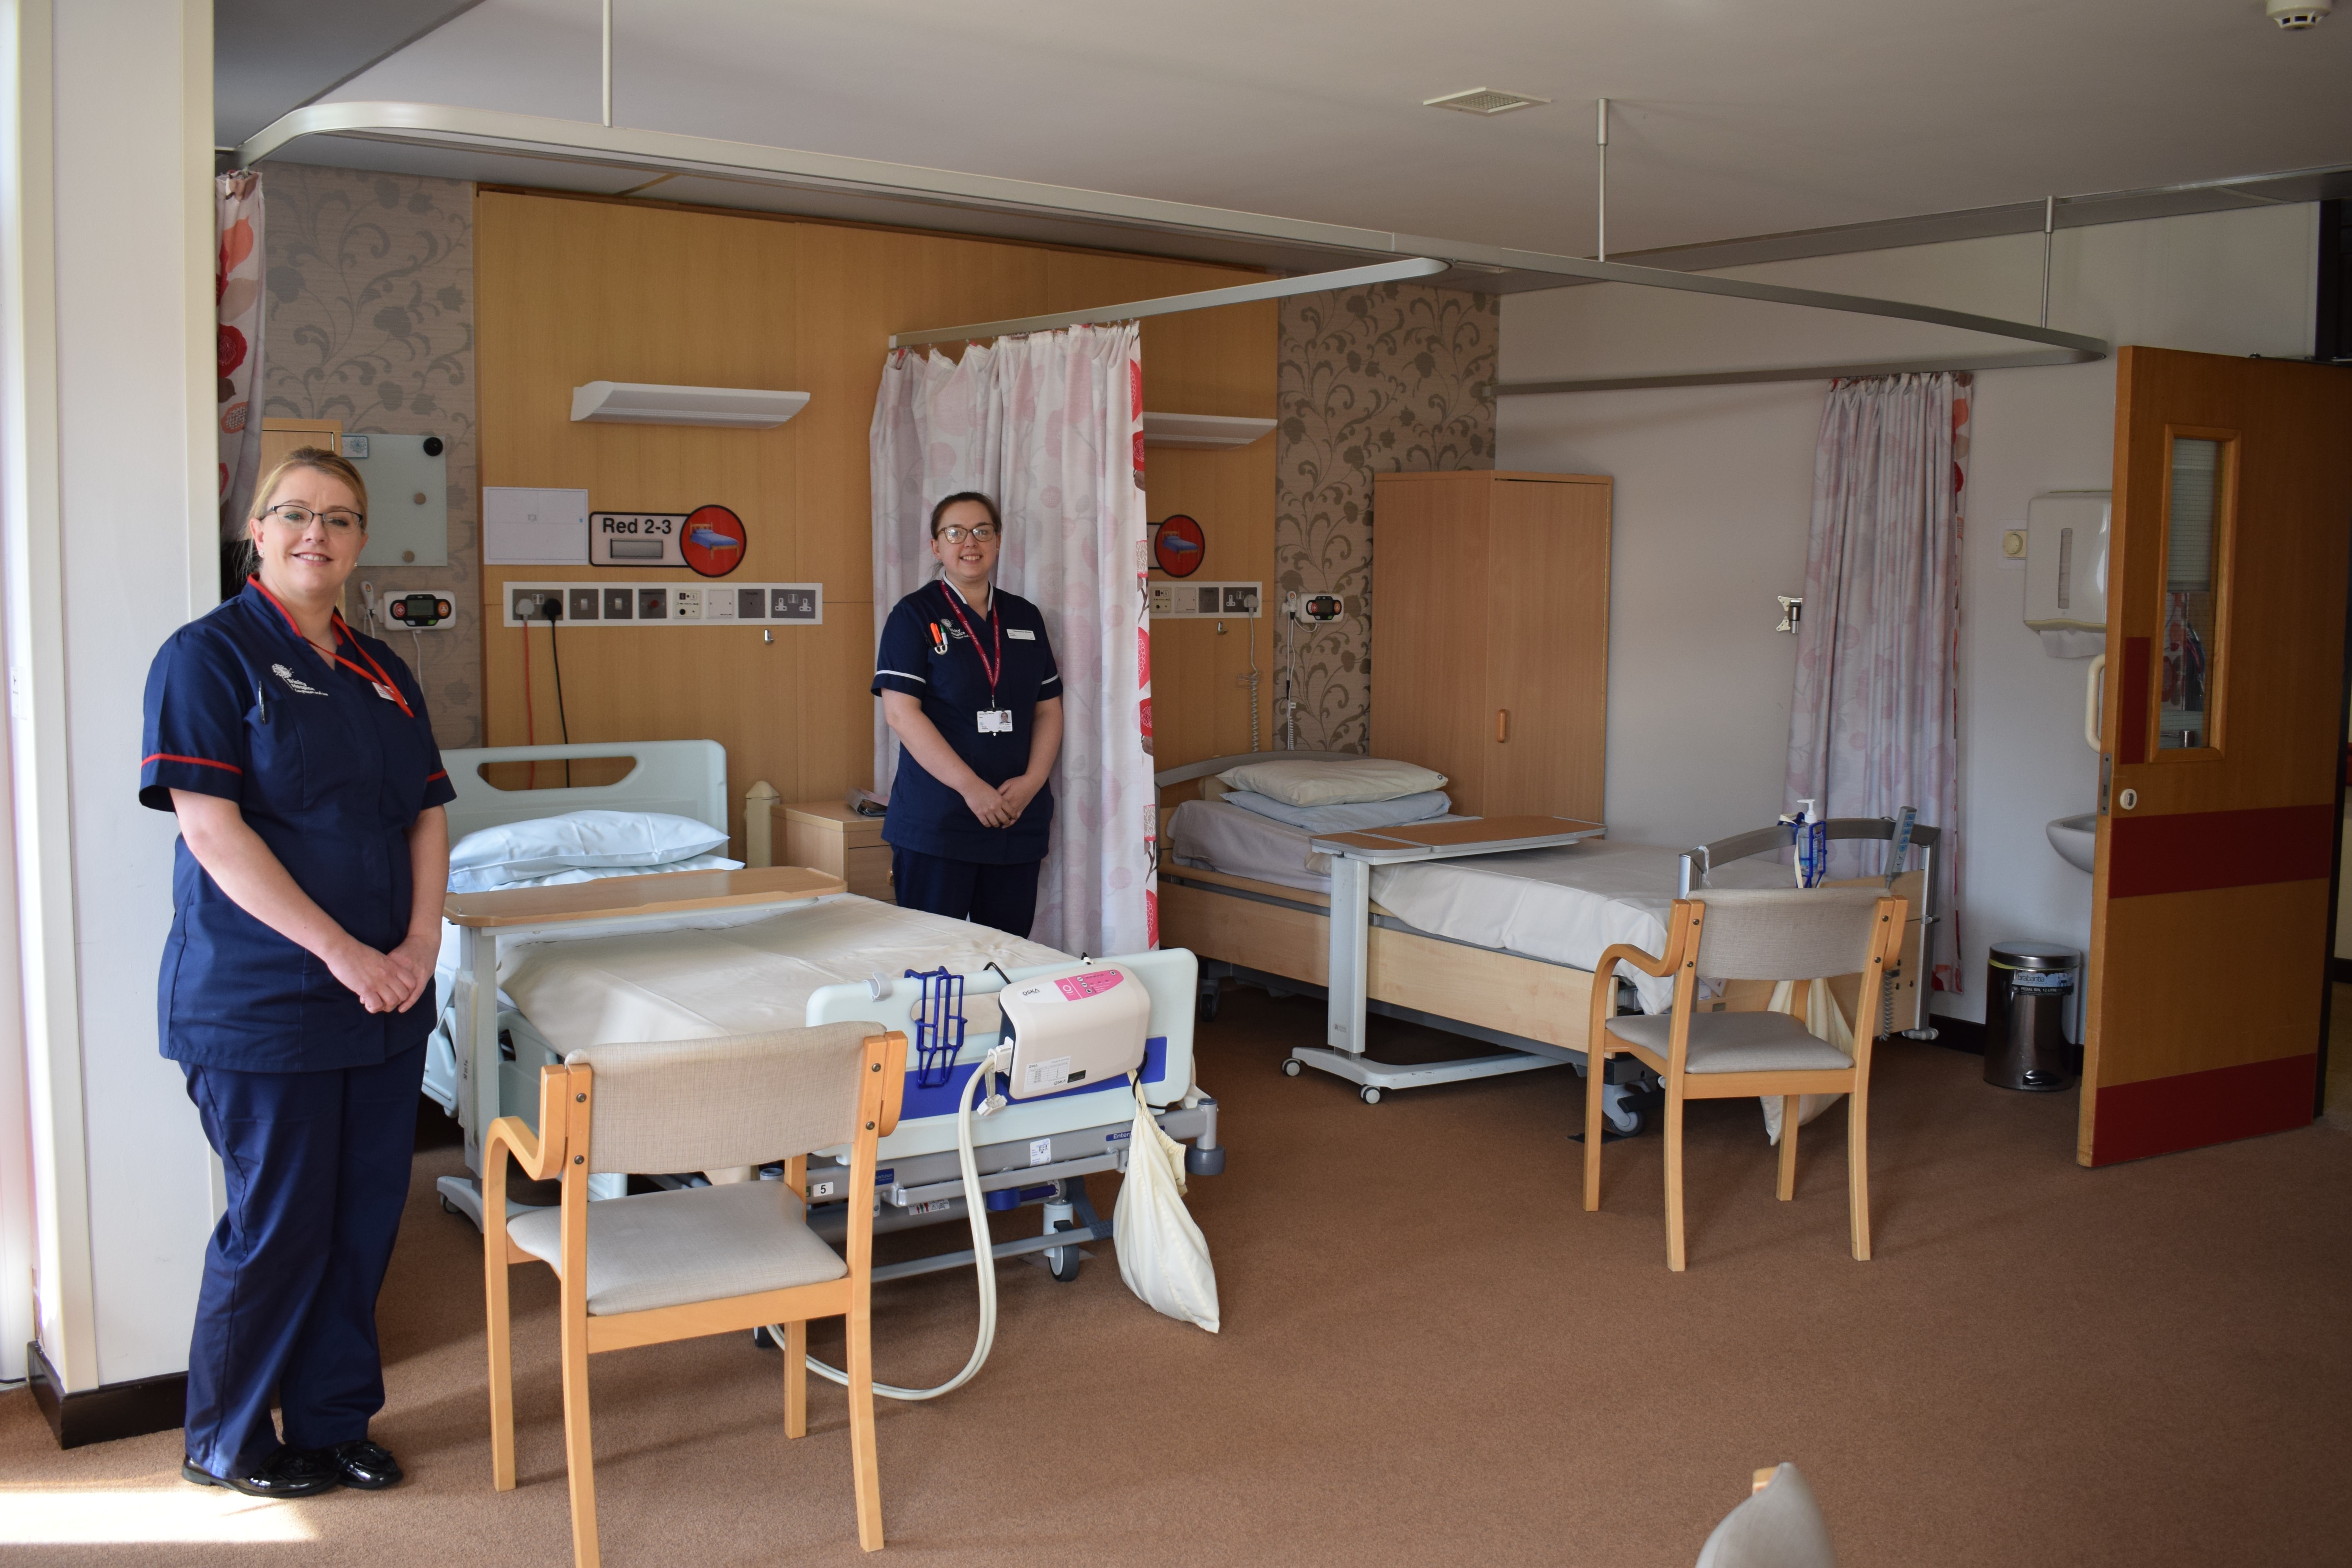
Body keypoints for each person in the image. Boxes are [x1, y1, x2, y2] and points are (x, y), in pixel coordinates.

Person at [141, 448, 454, 1499]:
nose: (315, 533)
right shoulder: (208, 657)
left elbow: (426, 814)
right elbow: (212, 832)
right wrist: (346, 954)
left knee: (362, 1225)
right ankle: (224, 1439)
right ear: (257, 532)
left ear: (361, 541)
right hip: (265, 1004)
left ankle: (331, 1423)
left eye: (339, 517)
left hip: (386, 1001)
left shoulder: (382, 669)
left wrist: (420, 945)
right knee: (278, 1228)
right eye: (293, 513)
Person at [871, 492, 1063, 937]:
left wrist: (1033, 782)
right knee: (933, 957)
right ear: (936, 546)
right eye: (955, 533)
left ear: (998, 541)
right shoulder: (914, 615)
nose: (970, 543)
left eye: (982, 531)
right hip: (941, 819)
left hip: (1015, 816)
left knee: (1007, 956)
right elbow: (901, 714)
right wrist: (972, 789)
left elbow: (1048, 710)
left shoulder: (1025, 616)